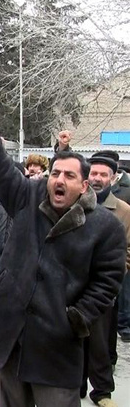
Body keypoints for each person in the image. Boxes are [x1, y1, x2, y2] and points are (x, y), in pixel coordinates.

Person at [0, 91, 126, 407]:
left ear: (84, 185)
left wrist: (75, 318)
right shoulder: (28, 196)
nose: (59, 180)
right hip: (11, 336)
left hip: (57, 344)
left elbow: (108, 281)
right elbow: (0, 169)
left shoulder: (105, 226)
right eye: (55, 173)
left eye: (69, 175)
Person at [81, 155, 130, 407]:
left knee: (100, 343)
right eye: (94, 173)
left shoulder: (123, 210)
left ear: (112, 178)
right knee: (74, 338)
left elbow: (128, 251)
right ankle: (76, 385)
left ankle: (101, 392)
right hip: (74, 285)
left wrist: (113, 275)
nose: (97, 179)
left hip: (103, 289)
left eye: (103, 175)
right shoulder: (75, 204)